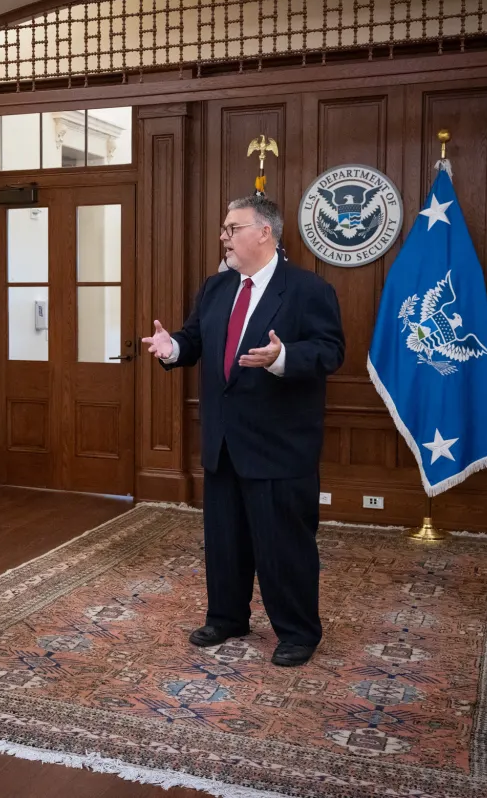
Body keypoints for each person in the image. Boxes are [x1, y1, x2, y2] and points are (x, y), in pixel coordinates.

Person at [142, 197, 344, 667]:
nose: (223, 236)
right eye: (224, 228)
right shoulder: (216, 288)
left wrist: (283, 358)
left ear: (265, 233)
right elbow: (195, 340)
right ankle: (227, 616)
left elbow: (330, 352)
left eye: (232, 228)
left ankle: (297, 632)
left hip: (279, 445)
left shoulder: (308, 290)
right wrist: (172, 347)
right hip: (223, 441)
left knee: (283, 545)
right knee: (225, 539)